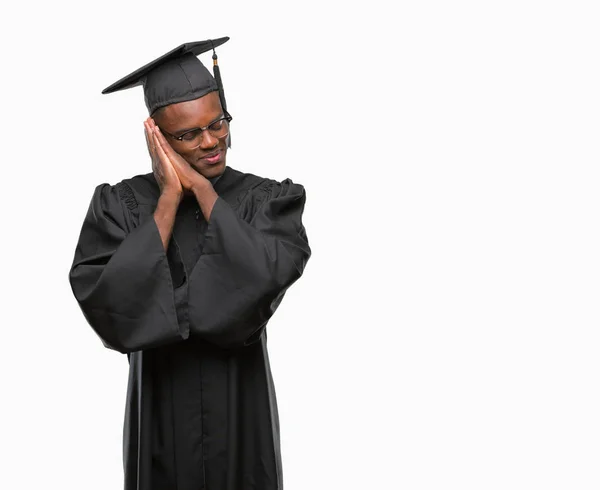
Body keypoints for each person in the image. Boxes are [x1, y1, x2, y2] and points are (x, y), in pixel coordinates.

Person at [68, 37, 311, 490]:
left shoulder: (267, 200)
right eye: (188, 134)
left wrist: (202, 190)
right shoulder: (120, 205)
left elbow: (263, 279)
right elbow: (109, 306)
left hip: (242, 411)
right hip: (159, 414)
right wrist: (167, 201)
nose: (211, 142)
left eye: (217, 123)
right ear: (156, 136)